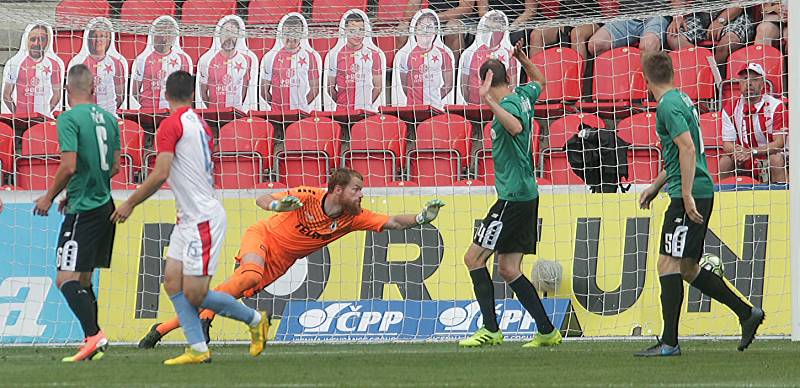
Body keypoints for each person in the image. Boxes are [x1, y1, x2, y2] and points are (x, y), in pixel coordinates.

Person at [137, 168, 446, 348]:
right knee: (248, 278)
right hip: (261, 237)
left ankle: (163, 329)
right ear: (337, 189)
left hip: (281, 264)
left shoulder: (355, 217)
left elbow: (391, 222)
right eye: (356, 190)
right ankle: (199, 321)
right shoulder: (308, 196)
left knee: (234, 289)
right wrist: (277, 207)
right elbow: (263, 198)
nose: (361, 195)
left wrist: (420, 218)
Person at [110, 71, 269, 365]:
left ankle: (255, 319)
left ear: (165, 95)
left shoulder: (171, 125)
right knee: (172, 281)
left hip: (202, 219)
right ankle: (197, 347)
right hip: (189, 217)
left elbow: (161, 173)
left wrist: (130, 203)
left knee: (195, 294)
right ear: (192, 95)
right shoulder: (200, 124)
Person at [635, 52, 764, 357]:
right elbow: (680, 151)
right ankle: (747, 314)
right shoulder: (681, 99)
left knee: (667, 264)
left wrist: (687, 193)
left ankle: (669, 342)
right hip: (694, 188)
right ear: (672, 74)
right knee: (688, 268)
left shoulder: (667, 105)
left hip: (689, 193)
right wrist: (656, 185)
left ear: (645, 78)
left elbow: (688, 148)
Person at [458, 41, 561, 348]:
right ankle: (547, 331)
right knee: (507, 268)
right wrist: (523, 58)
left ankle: (490, 329)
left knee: (473, 258)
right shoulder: (523, 96)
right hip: (526, 195)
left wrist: (489, 100)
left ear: (487, 81)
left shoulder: (509, 106)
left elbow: (515, 127)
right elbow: (540, 81)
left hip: (513, 198)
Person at [32, 64, 120, 362]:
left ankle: (94, 336)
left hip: (83, 210)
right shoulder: (109, 119)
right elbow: (116, 167)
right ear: (93, 88)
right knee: (83, 279)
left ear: (67, 89)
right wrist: (77, 189)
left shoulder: (68, 118)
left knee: (65, 279)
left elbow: (69, 165)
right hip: (105, 205)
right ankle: (91, 340)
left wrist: (49, 196)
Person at [719, 63, 787, 183]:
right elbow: (727, 144)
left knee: (775, 159)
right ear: (739, 83)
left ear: (762, 84)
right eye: (745, 79)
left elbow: (779, 143)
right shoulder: (729, 109)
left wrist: (752, 152)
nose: (749, 83)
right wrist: (738, 152)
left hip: (768, 155)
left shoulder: (776, 106)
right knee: (725, 161)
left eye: (754, 79)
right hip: (744, 158)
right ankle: (723, 198)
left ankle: (780, 197)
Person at [393, 9, 455, 109]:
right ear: (415, 29)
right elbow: (405, 86)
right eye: (422, 26)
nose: (426, 30)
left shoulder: (444, 53)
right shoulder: (405, 54)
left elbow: (448, 85)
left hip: (436, 109)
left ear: (435, 30)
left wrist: (434, 97)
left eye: (430, 27)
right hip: (412, 109)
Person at [324, 10, 385, 111]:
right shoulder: (335, 55)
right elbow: (330, 88)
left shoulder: (374, 54)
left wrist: (366, 104)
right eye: (352, 31)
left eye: (361, 30)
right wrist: (343, 104)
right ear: (345, 31)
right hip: (343, 112)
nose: (357, 35)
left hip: (365, 112)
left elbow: (378, 87)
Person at [260, 13, 321, 112]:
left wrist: (301, 105)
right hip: (277, 115)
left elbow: (315, 89)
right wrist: (277, 108)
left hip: (300, 114)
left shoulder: (310, 56)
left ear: (301, 34)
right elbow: (263, 91)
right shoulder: (270, 57)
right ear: (282, 34)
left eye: (295, 33)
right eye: (288, 33)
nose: (291, 38)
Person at [196, 15, 259, 112]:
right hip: (215, 114)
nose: (229, 37)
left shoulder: (247, 59)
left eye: (233, 33)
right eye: (226, 32)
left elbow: (245, 88)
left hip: (237, 114)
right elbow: (203, 92)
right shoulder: (207, 59)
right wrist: (212, 109)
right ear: (219, 35)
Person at [2, 22, 64, 117]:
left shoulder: (54, 64)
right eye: (33, 39)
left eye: (41, 39)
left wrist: (46, 113)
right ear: (27, 41)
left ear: (47, 41)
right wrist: (17, 114)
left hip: (43, 121)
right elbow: (6, 95)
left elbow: (57, 94)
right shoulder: (15, 63)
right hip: (22, 120)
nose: (36, 43)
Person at [67, 17, 128, 114]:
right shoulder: (79, 63)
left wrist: (110, 110)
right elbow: (73, 96)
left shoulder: (117, 63)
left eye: (102, 36)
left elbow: (120, 95)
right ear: (89, 39)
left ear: (108, 39)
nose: (98, 40)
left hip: (108, 114)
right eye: (94, 36)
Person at [130, 16, 192, 110]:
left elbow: (185, 91)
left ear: (174, 37)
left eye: (168, 34)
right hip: (148, 110)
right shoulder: (142, 59)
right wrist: (147, 104)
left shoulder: (182, 59)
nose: (164, 38)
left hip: (172, 111)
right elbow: (135, 91)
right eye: (160, 33)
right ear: (153, 35)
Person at [459, 10, 517, 105]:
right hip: (474, 105)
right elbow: (464, 86)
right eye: (490, 29)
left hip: (501, 108)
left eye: (498, 29)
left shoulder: (509, 54)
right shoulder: (470, 53)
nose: (494, 34)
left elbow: (512, 85)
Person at [666, 6, 754, 64]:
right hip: (700, 16)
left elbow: (739, 4)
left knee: (727, 42)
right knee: (674, 37)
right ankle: (700, 68)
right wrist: (678, 16)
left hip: (733, 15)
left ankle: (714, 78)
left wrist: (720, 21)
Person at [528, 0, 601, 61]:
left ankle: (577, 76)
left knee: (576, 34)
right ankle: (536, 76)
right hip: (564, 18)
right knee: (536, 35)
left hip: (590, 17)